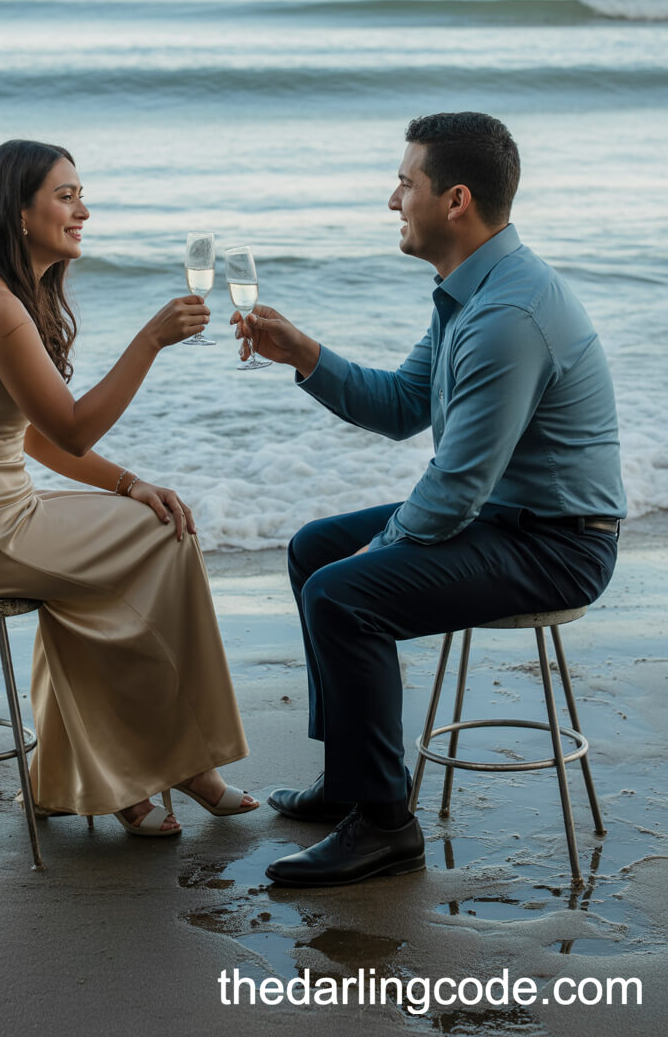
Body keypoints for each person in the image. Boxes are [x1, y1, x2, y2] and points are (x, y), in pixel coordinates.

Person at [232, 111, 625, 886]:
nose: (391, 201)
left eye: (404, 183)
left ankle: (384, 824)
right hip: (504, 518)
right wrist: (305, 356)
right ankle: (351, 776)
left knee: (342, 593)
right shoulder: (468, 291)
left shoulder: (509, 316)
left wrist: (374, 556)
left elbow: (453, 492)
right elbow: (405, 404)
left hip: (559, 544)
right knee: (315, 548)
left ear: (455, 201)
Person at [0, 138, 258, 837]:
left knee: (141, 531)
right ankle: (184, 762)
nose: (83, 211)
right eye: (66, 197)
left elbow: (30, 438)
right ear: (18, 211)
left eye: (80, 195)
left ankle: (108, 776)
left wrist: (128, 483)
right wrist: (149, 341)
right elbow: (66, 431)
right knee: (169, 536)